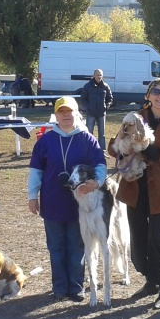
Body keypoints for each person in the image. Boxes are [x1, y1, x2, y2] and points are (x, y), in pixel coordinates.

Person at [108, 78, 160, 309]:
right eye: (157, 92)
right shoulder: (134, 117)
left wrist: (149, 150)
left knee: (156, 238)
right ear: (149, 95)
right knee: (139, 243)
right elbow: (113, 147)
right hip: (134, 188)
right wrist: (123, 148)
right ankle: (151, 280)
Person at [28, 96, 106, 302]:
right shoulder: (46, 141)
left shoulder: (87, 139)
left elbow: (99, 164)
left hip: (79, 205)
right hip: (52, 202)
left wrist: (97, 182)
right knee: (56, 246)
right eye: (61, 112)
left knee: (77, 245)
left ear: (76, 113)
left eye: (69, 111)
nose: (66, 115)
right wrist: (32, 196)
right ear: (56, 115)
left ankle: (76, 287)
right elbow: (36, 170)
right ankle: (60, 287)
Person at [79, 69, 113, 150]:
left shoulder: (106, 86)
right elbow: (83, 99)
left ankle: (102, 151)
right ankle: (88, 150)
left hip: (101, 114)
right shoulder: (87, 86)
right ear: (93, 76)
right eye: (97, 75)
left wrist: (106, 106)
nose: (99, 76)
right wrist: (88, 107)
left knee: (102, 134)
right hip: (91, 113)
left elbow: (110, 98)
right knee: (89, 133)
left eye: (100, 75)